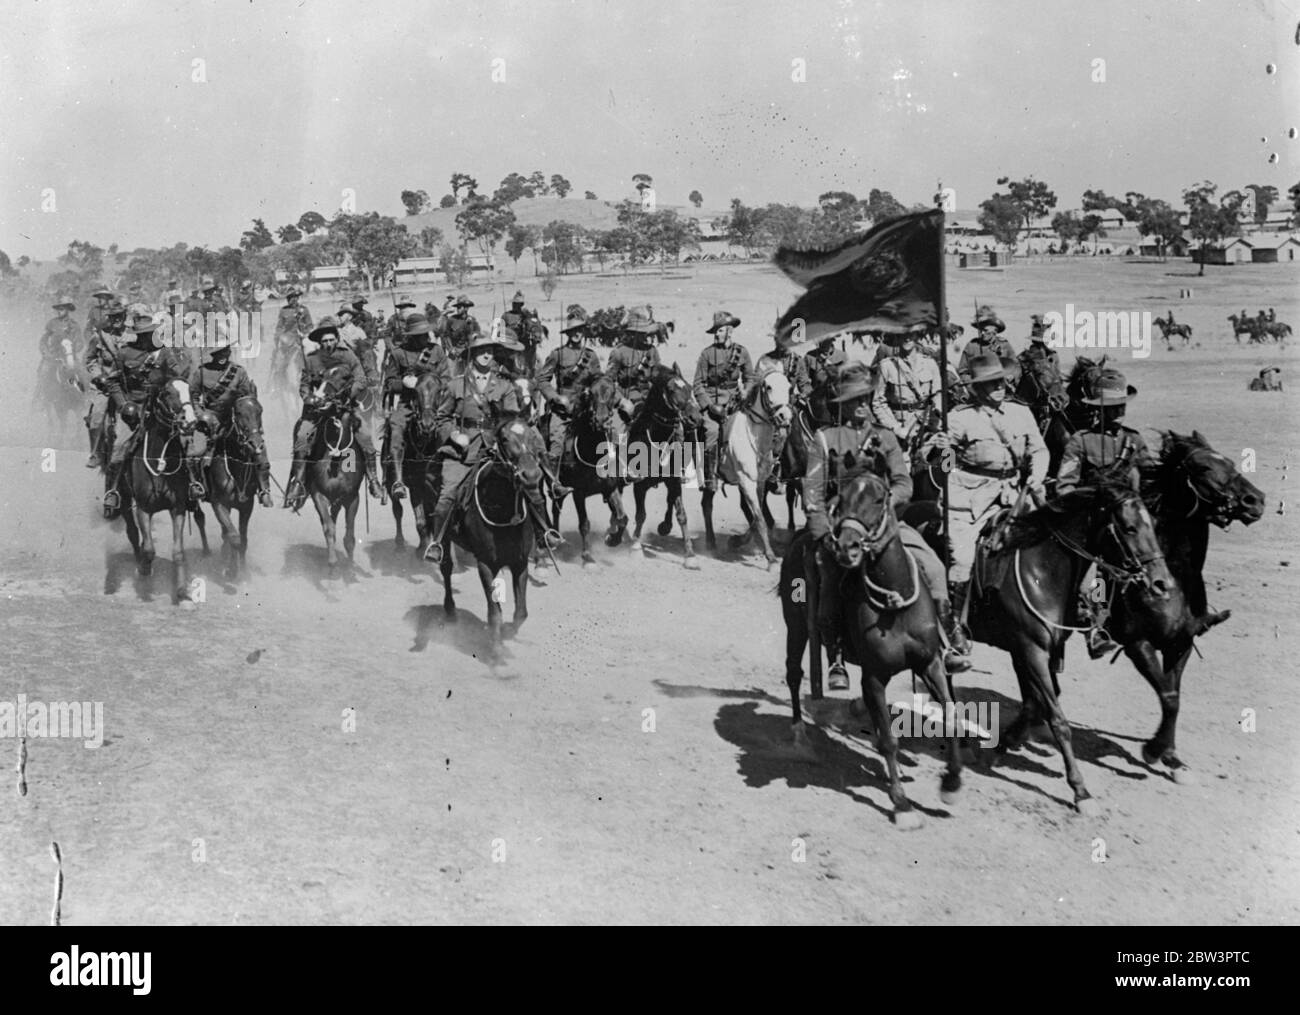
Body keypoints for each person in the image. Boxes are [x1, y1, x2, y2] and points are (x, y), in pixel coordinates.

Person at [804, 365, 971, 689]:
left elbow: (903, 482)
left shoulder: (886, 437)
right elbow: (813, 492)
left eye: (866, 398)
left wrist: (884, 507)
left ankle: (949, 640)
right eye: (855, 401)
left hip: (885, 522)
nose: (862, 406)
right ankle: (836, 657)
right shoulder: (825, 439)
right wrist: (824, 533)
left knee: (934, 567)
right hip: (844, 525)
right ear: (843, 404)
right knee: (829, 581)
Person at [923, 353, 1048, 638]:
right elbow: (941, 463)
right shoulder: (959, 418)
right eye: (991, 383)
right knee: (964, 558)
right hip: (970, 498)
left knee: (1055, 538)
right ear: (977, 389)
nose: (999, 387)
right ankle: (954, 625)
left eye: (1001, 381)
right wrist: (943, 449)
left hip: (1015, 491)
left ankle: (1080, 612)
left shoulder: (1021, 412)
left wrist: (1036, 475)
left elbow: (1039, 449)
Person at [424, 332, 561, 563]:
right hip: (463, 450)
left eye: (489, 351)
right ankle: (437, 543)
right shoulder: (456, 384)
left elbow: (511, 418)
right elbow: (442, 418)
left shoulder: (505, 386)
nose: (486, 355)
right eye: (481, 351)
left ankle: (544, 533)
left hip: (497, 446)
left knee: (528, 479)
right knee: (448, 492)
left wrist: (509, 437)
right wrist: (454, 435)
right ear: (472, 355)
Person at [1055, 368, 1158, 657]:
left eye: (1121, 405)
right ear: (1099, 410)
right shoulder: (1081, 441)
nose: (1118, 411)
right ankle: (1096, 627)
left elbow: (1150, 483)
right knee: (1095, 577)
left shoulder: (1134, 441)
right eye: (1111, 407)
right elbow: (1065, 486)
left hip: (1128, 522)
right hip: (1095, 524)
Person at [100, 311, 207, 518]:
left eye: (151, 333)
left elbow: (176, 377)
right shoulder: (125, 353)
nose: (148, 337)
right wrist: (123, 405)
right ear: (138, 335)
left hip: (160, 407)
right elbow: (113, 382)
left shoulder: (164, 352)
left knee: (187, 441)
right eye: (144, 334)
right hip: (133, 409)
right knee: (119, 450)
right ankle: (112, 493)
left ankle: (192, 485)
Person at [283, 317, 384, 508]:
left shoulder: (348, 356)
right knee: (302, 439)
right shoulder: (311, 360)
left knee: (366, 439)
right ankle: (297, 483)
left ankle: (373, 480)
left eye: (331, 340)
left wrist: (348, 393)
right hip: (317, 411)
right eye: (324, 341)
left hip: (345, 408)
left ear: (336, 339)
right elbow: (304, 386)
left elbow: (361, 379)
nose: (328, 343)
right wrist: (311, 399)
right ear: (319, 342)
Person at [189, 338, 274, 507]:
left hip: (235, 416)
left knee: (258, 447)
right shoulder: (201, 372)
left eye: (225, 351)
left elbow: (246, 397)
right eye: (217, 353)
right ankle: (196, 486)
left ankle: (264, 489)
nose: (222, 355)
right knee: (195, 451)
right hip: (209, 418)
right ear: (212, 355)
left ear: (229, 352)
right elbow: (194, 397)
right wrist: (201, 415)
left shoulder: (238, 372)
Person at [382, 312, 451, 500]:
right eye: (419, 335)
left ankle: (452, 474)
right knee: (396, 428)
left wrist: (434, 383)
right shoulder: (398, 353)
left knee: (450, 430)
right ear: (410, 336)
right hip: (408, 404)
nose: (423, 338)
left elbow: (447, 379)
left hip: (435, 404)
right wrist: (404, 382)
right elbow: (389, 383)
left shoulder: (436, 351)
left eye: (425, 334)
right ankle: (397, 479)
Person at [535, 306, 603, 475]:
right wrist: (555, 398)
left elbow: (598, 380)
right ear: (567, 333)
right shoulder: (557, 354)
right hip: (563, 410)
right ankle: (554, 482)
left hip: (586, 407)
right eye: (573, 330)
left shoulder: (591, 356)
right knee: (557, 442)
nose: (576, 334)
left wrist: (592, 392)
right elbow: (542, 380)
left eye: (579, 330)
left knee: (606, 435)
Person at [692, 311, 754, 493]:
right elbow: (697, 384)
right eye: (715, 331)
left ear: (729, 331)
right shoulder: (707, 354)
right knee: (711, 431)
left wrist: (746, 392)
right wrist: (710, 405)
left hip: (734, 404)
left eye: (719, 331)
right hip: (712, 404)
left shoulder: (742, 352)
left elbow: (750, 377)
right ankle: (710, 477)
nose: (716, 334)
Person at [871, 325, 943, 460]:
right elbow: (878, 403)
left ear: (918, 336)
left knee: (944, 459)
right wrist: (896, 428)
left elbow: (938, 394)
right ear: (897, 337)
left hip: (927, 425)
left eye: (912, 334)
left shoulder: (930, 364)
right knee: (904, 470)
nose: (908, 338)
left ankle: (950, 476)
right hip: (901, 428)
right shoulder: (886, 366)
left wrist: (937, 414)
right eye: (903, 334)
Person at [84, 298, 128, 468]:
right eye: (114, 316)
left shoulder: (132, 336)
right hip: (104, 386)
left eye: (120, 316)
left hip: (125, 386)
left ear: (124, 316)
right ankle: (95, 452)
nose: (117, 319)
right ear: (109, 317)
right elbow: (90, 360)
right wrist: (97, 376)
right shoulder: (100, 337)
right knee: (96, 417)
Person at [605, 306, 663, 422]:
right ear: (631, 333)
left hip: (648, 401)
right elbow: (607, 383)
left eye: (643, 333)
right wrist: (621, 401)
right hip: (626, 403)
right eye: (637, 333)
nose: (641, 336)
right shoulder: (619, 352)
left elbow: (658, 378)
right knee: (619, 435)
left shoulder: (651, 351)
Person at [957, 305, 1016, 381]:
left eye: (985, 330)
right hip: (977, 388)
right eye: (980, 329)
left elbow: (1015, 366)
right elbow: (962, 371)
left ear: (995, 330)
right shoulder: (972, 345)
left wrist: (1011, 376)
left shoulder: (1004, 345)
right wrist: (972, 382)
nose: (982, 332)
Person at [271, 287, 313, 381]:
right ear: (287, 299)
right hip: (288, 340)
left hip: (302, 339)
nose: (293, 300)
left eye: (295, 297)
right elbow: (279, 326)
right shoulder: (283, 310)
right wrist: (279, 336)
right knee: (279, 362)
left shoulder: (304, 309)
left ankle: (312, 376)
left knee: (310, 356)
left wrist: (305, 334)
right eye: (290, 297)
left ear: (298, 298)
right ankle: (278, 383)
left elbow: (310, 325)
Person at [437, 295, 482, 365]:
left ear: (466, 308)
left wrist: (474, 335)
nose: (457, 309)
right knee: (449, 369)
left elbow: (478, 332)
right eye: (457, 307)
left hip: (469, 351)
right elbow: (446, 335)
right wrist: (451, 349)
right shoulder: (452, 320)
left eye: (460, 307)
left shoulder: (472, 320)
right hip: (455, 351)